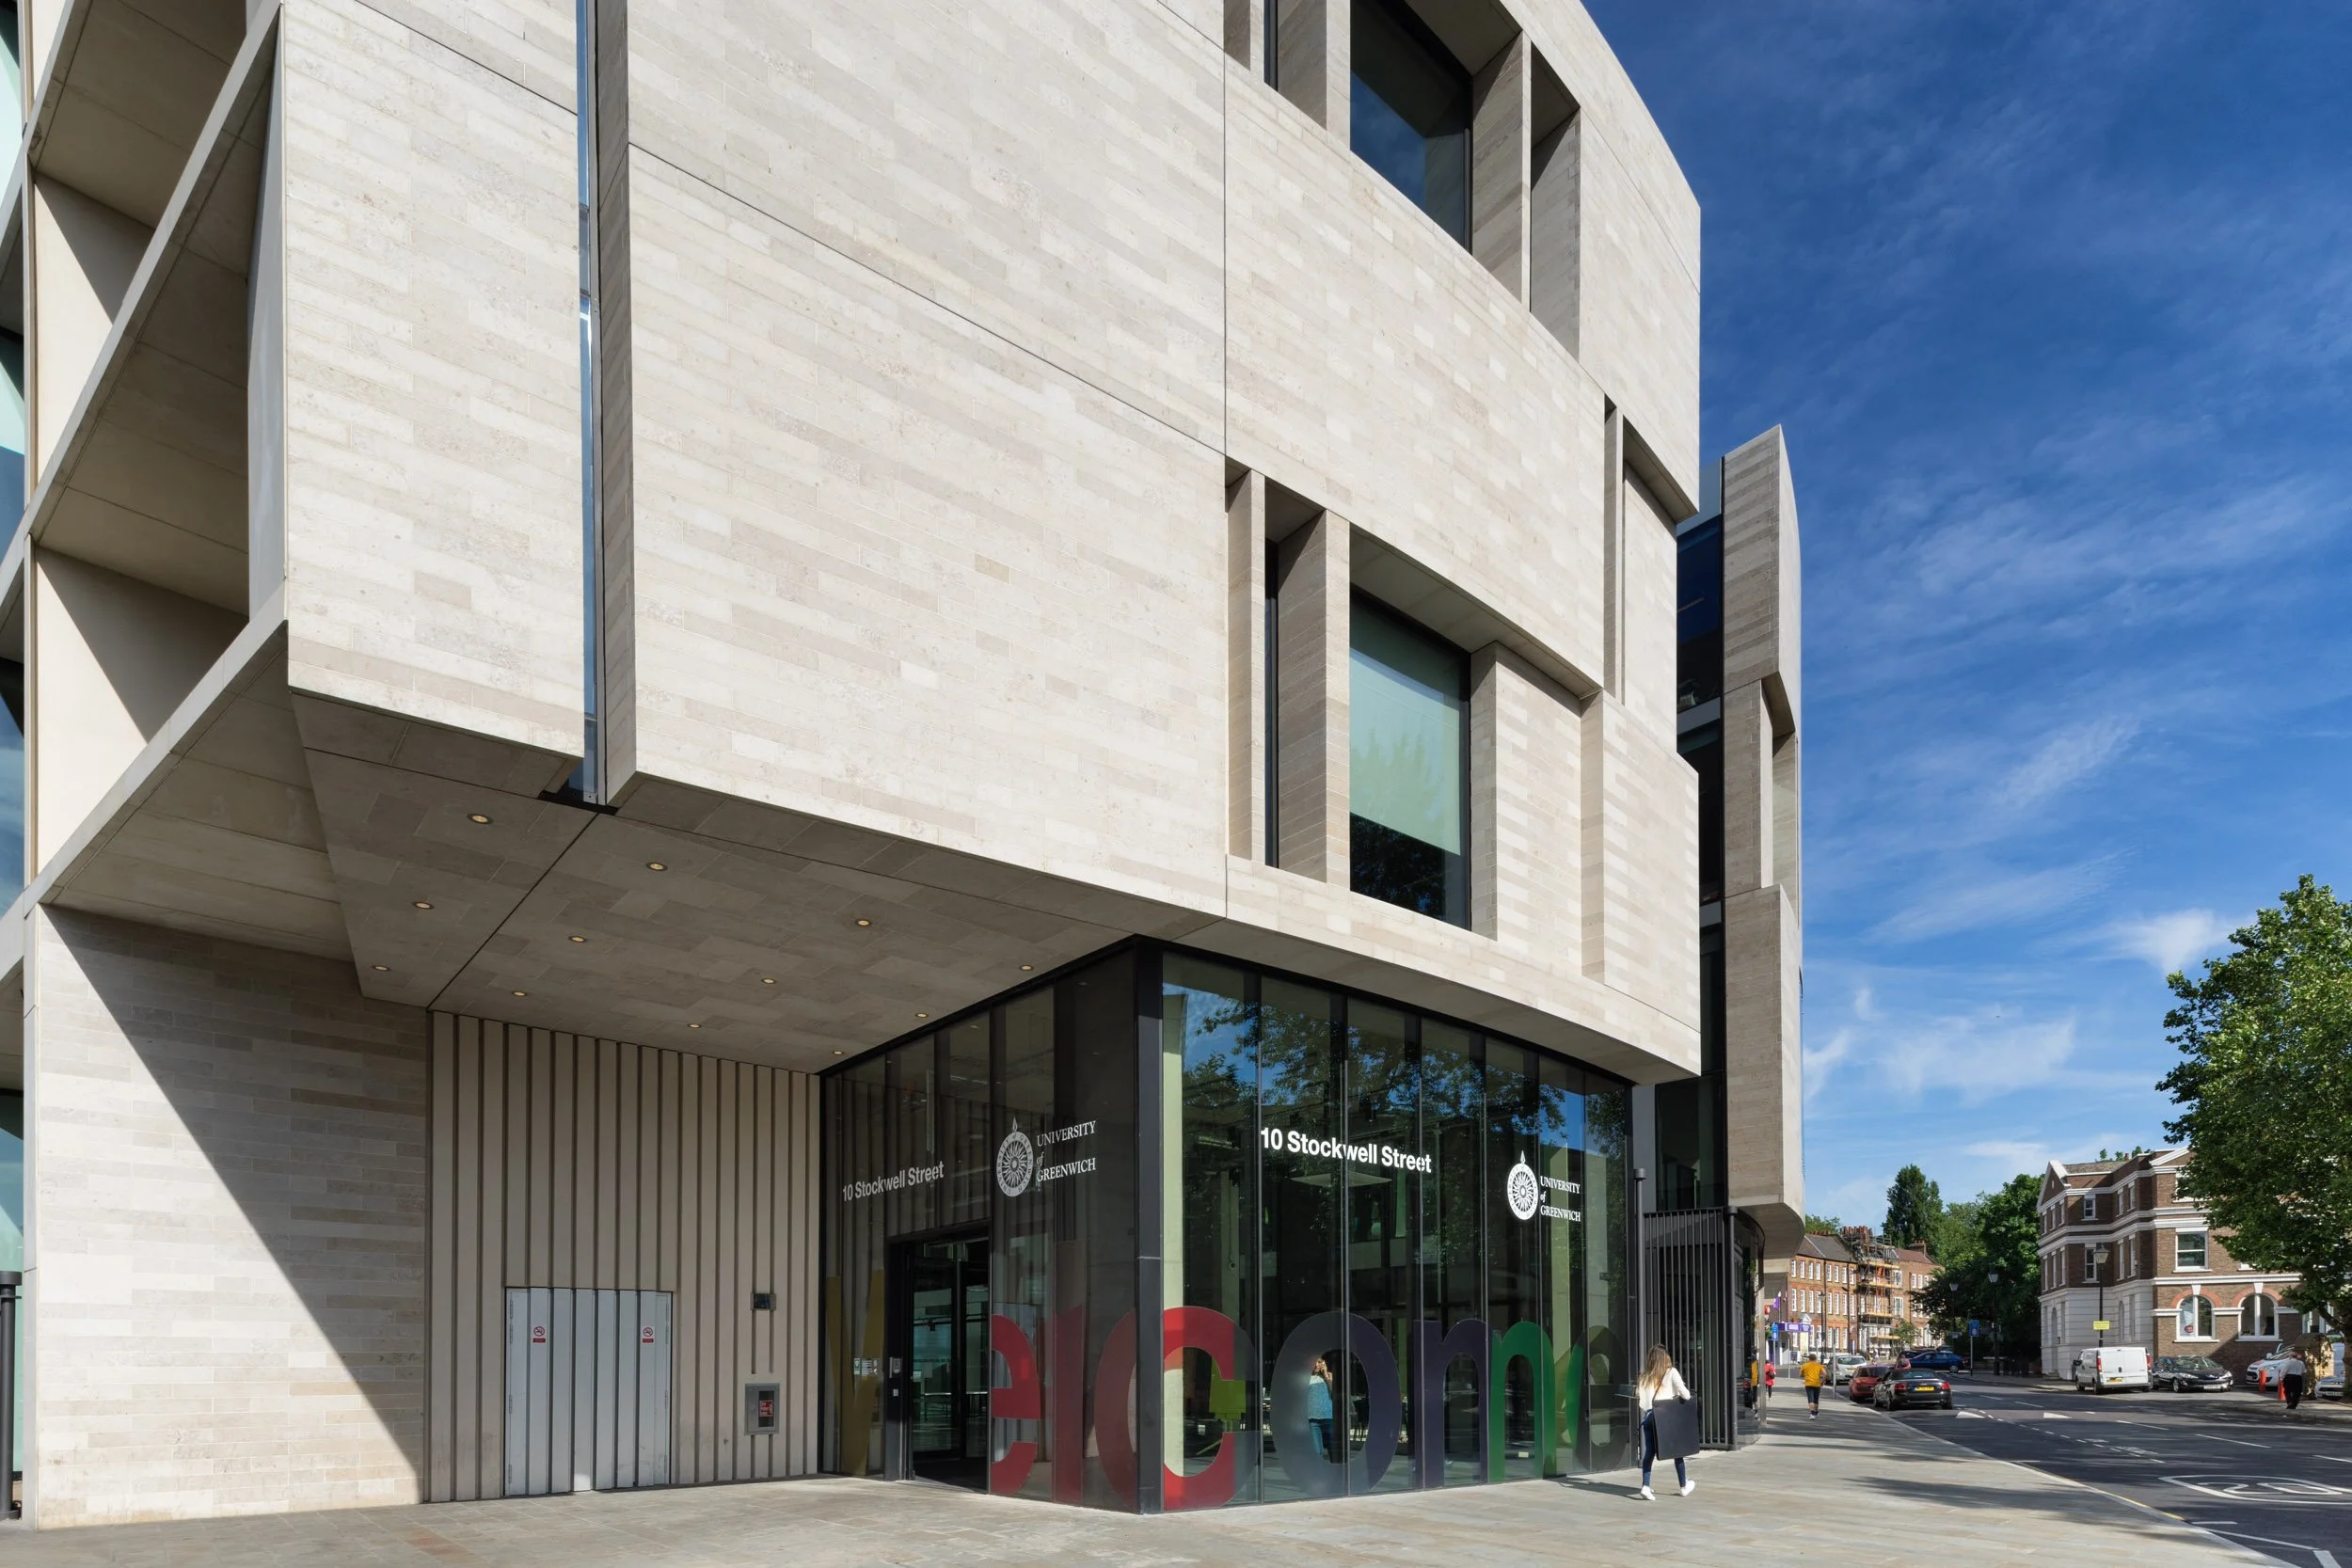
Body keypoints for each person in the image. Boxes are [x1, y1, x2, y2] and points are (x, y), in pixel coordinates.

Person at [1637, 1344, 1694, 1501]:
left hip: (1649, 1416)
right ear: (1665, 1358)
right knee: (1677, 1451)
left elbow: (1642, 1402)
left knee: (1649, 1452)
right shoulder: (1671, 1372)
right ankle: (1683, 1486)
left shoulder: (1644, 1377)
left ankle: (1645, 1486)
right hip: (1666, 1417)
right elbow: (1686, 1395)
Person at [1307, 1355, 1337, 1459]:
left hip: (1328, 1417)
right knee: (1317, 1452)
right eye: (1314, 1362)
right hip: (1313, 1419)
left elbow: (1334, 1392)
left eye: (1319, 1362)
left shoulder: (1329, 1376)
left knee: (1333, 1450)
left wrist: (1325, 1374)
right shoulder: (1306, 1377)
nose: (1316, 1365)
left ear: (1323, 1363)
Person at [2281, 1345, 2309, 1411]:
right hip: (2298, 1378)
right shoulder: (2301, 1363)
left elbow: (2284, 1371)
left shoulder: (2288, 1362)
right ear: (2296, 1357)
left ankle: (2289, 1402)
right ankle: (2294, 1405)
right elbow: (2304, 1371)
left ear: (2290, 1357)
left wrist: (2282, 1378)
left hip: (2289, 1377)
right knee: (2297, 1392)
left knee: (2287, 1391)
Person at [1802, 1354, 1824, 1418]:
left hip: (1808, 1384)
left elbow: (1801, 1375)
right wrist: (1822, 1381)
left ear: (1809, 1359)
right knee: (1816, 1399)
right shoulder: (1819, 1365)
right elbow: (1826, 1374)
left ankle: (1812, 1413)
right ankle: (1816, 1412)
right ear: (1816, 1358)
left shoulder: (1805, 1365)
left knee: (1810, 1399)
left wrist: (1805, 1375)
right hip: (1817, 1384)